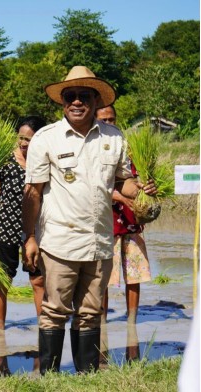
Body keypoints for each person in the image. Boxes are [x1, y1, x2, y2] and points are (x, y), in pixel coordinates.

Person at [22, 66, 157, 374]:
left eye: (85, 95)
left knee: (91, 312)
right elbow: (32, 193)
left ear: (97, 100)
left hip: (99, 241)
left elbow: (123, 182)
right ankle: (50, 377)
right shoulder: (46, 139)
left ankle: (87, 376)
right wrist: (28, 238)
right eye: (71, 96)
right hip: (58, 241)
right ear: (62, 101)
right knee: (54, 311)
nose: (77, 101)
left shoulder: (113, 137)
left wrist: (142, 188)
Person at [0, 116, 46, 331]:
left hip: (34, 230)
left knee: (38, 280)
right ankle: (0, 330)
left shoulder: (43, 162)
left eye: (30, 139)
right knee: (4, 281)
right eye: (21, 138)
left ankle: (44, 327)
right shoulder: (4, 161)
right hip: (5, 229)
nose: (24, 143)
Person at [96, 105, 151, 362]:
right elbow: (96, 182)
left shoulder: (127, 146)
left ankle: (132, 322)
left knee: (134, 274)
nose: (109, 121)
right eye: (104, 118)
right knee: (105, 277)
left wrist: (144, 190)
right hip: (105, 221)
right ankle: (103, 321)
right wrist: (118, 196)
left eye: (112, 118)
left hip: (130, 222)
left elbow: (137, 178)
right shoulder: (93, 146)